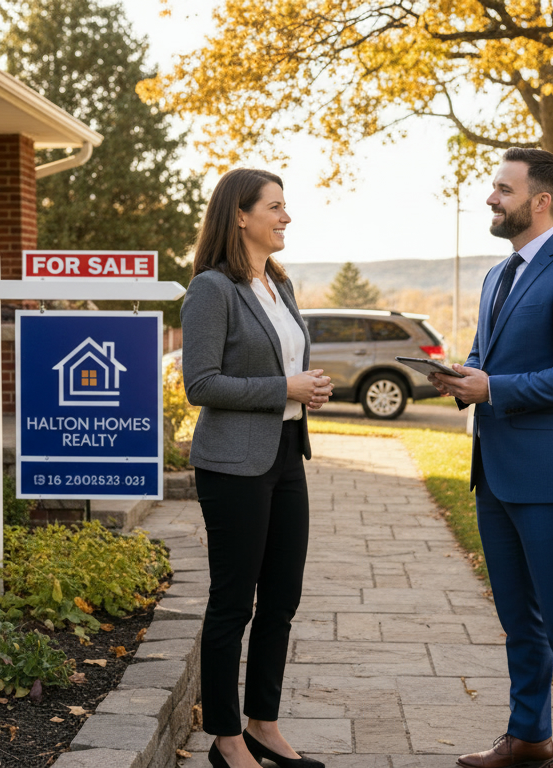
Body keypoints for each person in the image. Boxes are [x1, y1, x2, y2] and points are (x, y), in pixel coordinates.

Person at [429, 147, 553, 768]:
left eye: (502, 189)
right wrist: (460, 376)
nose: (489, 198)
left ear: (540, 201)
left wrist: (494, 389)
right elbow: (486, 357)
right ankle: (529, 736)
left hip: (552, 478)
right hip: (495, 472)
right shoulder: (496, 275)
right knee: (518, 620)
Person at [180, 168, 333, 768]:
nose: (286, 216)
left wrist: (303, 390)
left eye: (285, 207)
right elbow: (201, 383)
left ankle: (263, 724)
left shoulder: (280, 286)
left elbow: (282, 372)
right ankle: (225, 738)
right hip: (233, 466)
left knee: (282, 599)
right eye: (275, 207)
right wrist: (283, 386)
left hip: (286, 456)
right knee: (232, 603)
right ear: (240, 216)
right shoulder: (212, 290)